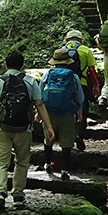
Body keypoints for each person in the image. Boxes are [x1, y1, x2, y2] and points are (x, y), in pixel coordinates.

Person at [0, 51, 55, 211]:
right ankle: (18, 196)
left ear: (6, 65)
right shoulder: (30, 81)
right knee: (22, 162)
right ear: (22, 65)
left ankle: (0, 193)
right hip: (24, 128)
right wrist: (49, 126)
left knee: (1, 162)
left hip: (1, 127)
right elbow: (40, 105)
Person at [39, 49, 85, 181]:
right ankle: (65, 170)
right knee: (66, 142)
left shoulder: (47, 75)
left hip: (49, 113)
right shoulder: (73, 76)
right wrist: (79, 110)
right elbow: (79, 96)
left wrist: (39, 112)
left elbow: (40, 94)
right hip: (67, 113)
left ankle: (48, 164)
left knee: (48, 139)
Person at [63, 29, 100, 151]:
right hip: (81, 84)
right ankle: (79, 134)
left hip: (64, 86)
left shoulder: (60, 51)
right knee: (82, 111)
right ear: (80, 40)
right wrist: (96, 86)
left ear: (67, 40)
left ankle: (67, 139)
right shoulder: (85, 50)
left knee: (67, 112)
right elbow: (92, 70)